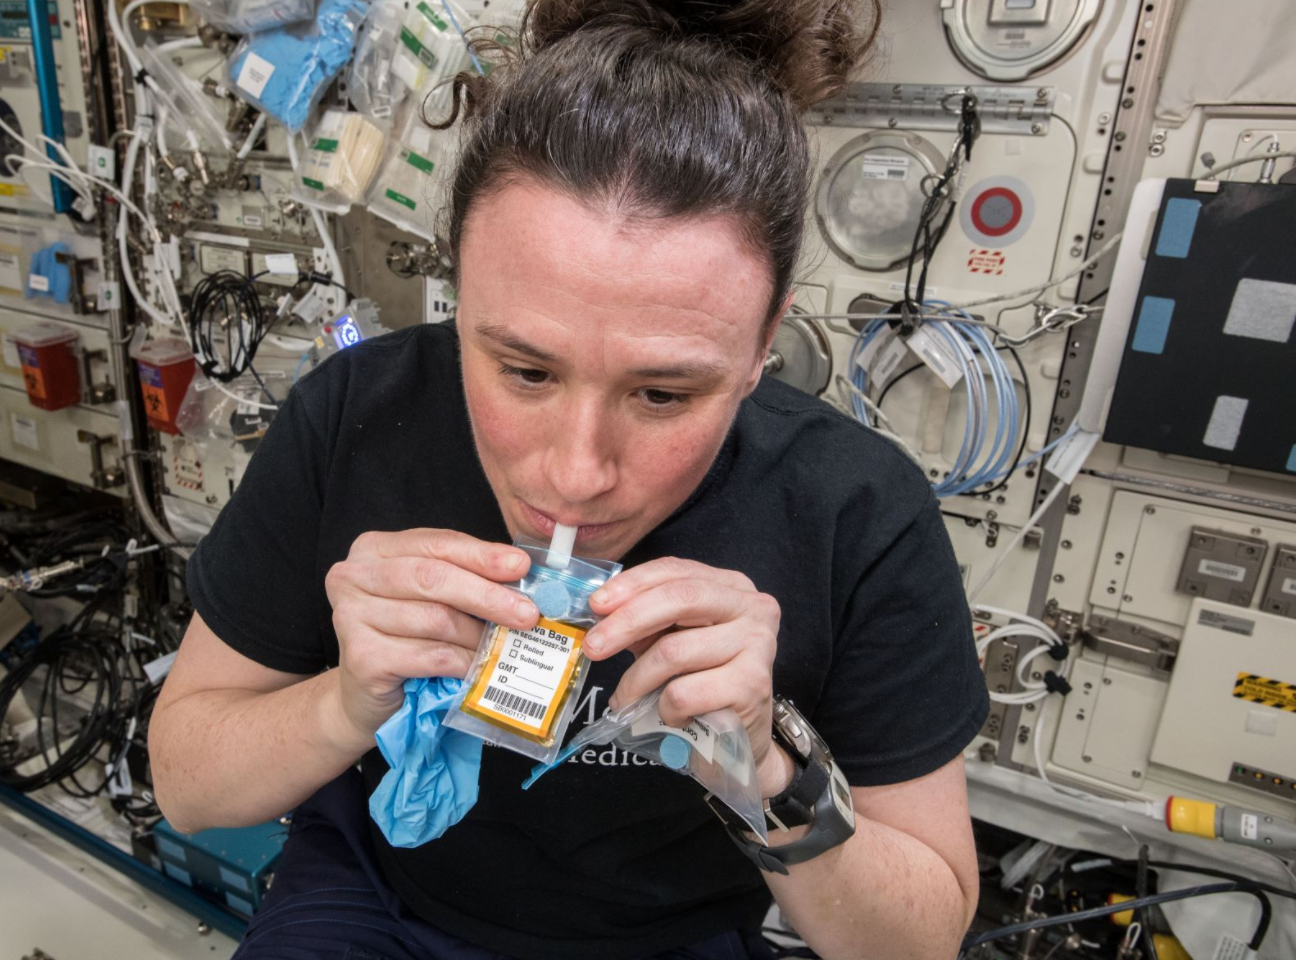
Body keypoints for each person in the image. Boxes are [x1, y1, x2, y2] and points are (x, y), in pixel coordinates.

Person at [148, 1, 990, 957]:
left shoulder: (857, 510)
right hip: (379, 899)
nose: (575, 476)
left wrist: (760, 763)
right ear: (458, 291)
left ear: (764, 347)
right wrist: (346, 700)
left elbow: (919, 941)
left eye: (665, 393)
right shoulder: (354, 419)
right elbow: (186, 782)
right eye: (525, 370)